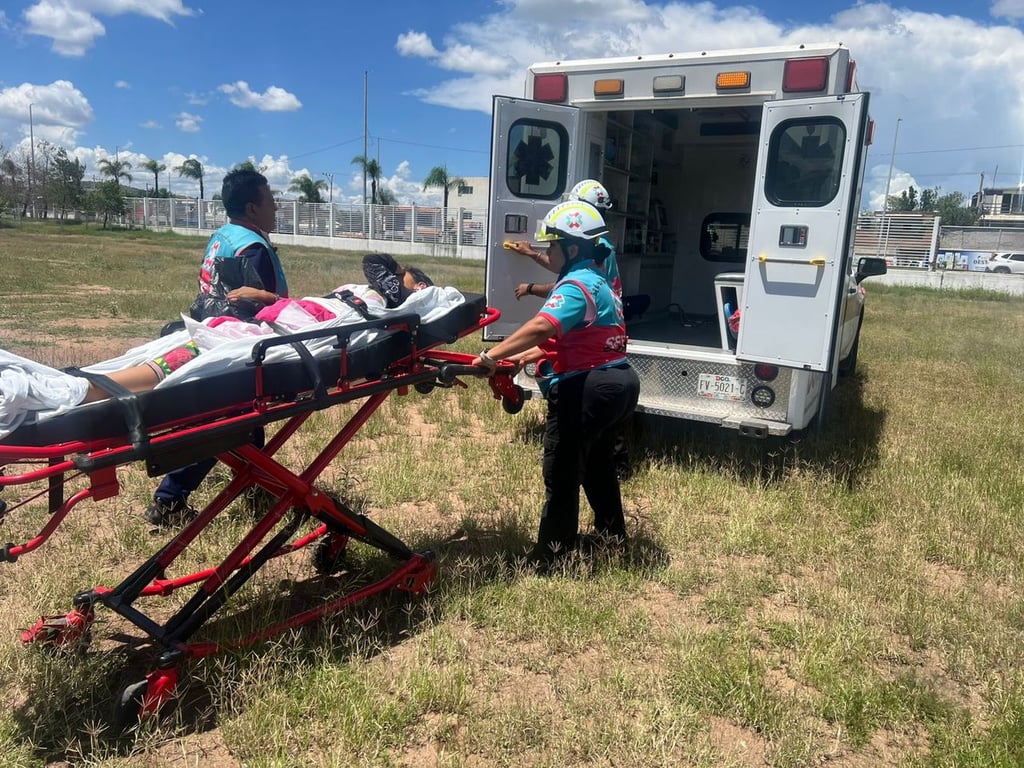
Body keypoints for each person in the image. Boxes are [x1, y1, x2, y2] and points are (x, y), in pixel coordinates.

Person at [472, 200, 640, 566]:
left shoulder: (576, 286)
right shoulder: (600, 282)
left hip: (588, 389)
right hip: (619, 381)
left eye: (552, 246)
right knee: (598, 465)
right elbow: (570, 343)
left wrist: (491, 356)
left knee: (561, 470)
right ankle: (611, 537)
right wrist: (517, 359)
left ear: (572, 248)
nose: (547, 252)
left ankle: (553, 556)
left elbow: (541, 327)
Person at [146, 168, 285, 526]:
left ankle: (258, 484)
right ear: (253, 208)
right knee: (230, 424)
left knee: (246, 424)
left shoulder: (223, 236)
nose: (276, 208)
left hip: (214, 333)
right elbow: (267, 308)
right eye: (270, 201)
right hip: (238, 346)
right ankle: (170, 498)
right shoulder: (252, 247)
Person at [507, 178, 632, 479]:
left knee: (586, 404)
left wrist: (533, 287)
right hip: (604, 326)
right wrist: (532, 254)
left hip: (590, 330)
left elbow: (569, 284)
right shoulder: (600, 244)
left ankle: (593, 457)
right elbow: (564, 267)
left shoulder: (595, 251)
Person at [508, 179, 622, 300]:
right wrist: (531, 253)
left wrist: (530, 288)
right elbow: (561, 264)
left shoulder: (594, 245)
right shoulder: (598, 242)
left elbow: (567, 288)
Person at [361, 253, 434, 309]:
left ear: (421, 286)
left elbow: (371, 259)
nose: (394, 276)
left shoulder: (400, 294)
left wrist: (399, 270)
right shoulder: (398, 296)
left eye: (403, 274)